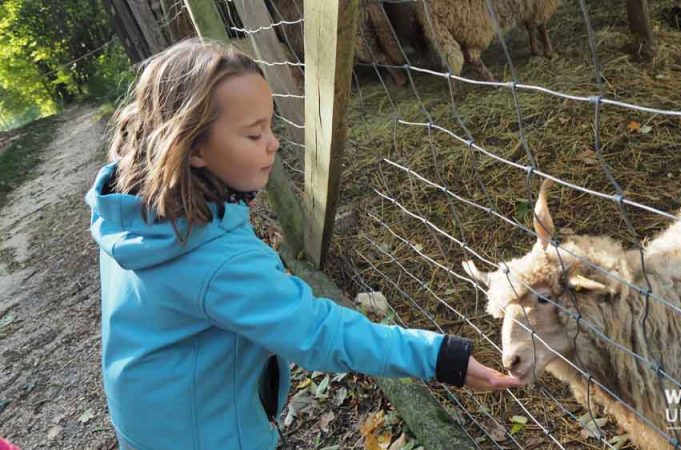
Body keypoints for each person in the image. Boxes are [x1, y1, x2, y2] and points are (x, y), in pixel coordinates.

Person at [85, 38, 520, 449]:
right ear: (192, 147)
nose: (273, 143)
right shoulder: (213, 260)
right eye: (254, 135)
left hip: (152, 421)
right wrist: (440, 357)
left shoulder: (136, 213)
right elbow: (319, 331)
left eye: (270, 125)